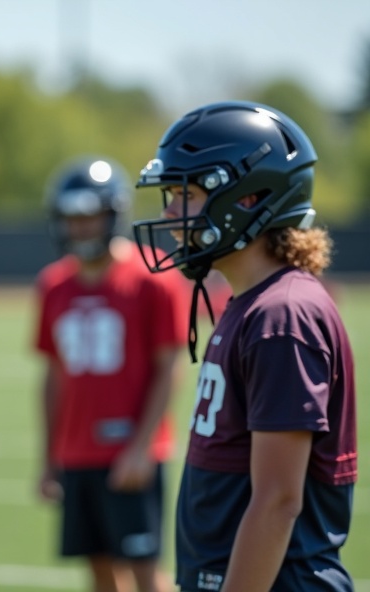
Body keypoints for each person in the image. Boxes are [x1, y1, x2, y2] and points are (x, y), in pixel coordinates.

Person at [132, 100, 358, 591]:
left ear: (248, 198)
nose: (169, 213)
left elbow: (278, 501)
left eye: (186, 195)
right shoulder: (253, 304)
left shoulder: (281, 316)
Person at [32, 156, 188, 592]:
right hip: (77, 452)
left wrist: (142, 447)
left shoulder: (153, 278)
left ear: (112, 215)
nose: (80, 228)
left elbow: (169, 367)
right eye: (72, 218)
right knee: (98, 569)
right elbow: (54, 376)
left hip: (129, 450)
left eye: (90, 217)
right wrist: (49, 457)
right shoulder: (53, 285)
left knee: (144, 569)